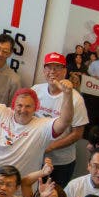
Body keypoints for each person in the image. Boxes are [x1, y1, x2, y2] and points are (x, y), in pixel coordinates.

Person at [0, 63, 74, 176]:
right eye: (19, 105)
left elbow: (65, 121)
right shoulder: (0, 113)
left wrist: (67, 95)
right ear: (13, 105)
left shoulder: (42, 126)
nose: (23, 110)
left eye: (28, 106)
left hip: (23, 186)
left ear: (36, 108)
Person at [33, 52, 90, 187]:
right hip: (35, 157)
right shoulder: (35, 90)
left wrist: (50, 147)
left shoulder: (75, 99)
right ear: (44, 70)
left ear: (64, 71)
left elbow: (77, 133)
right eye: (49, 67)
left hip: (61, 163)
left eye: (57, 68)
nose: (52, 71)